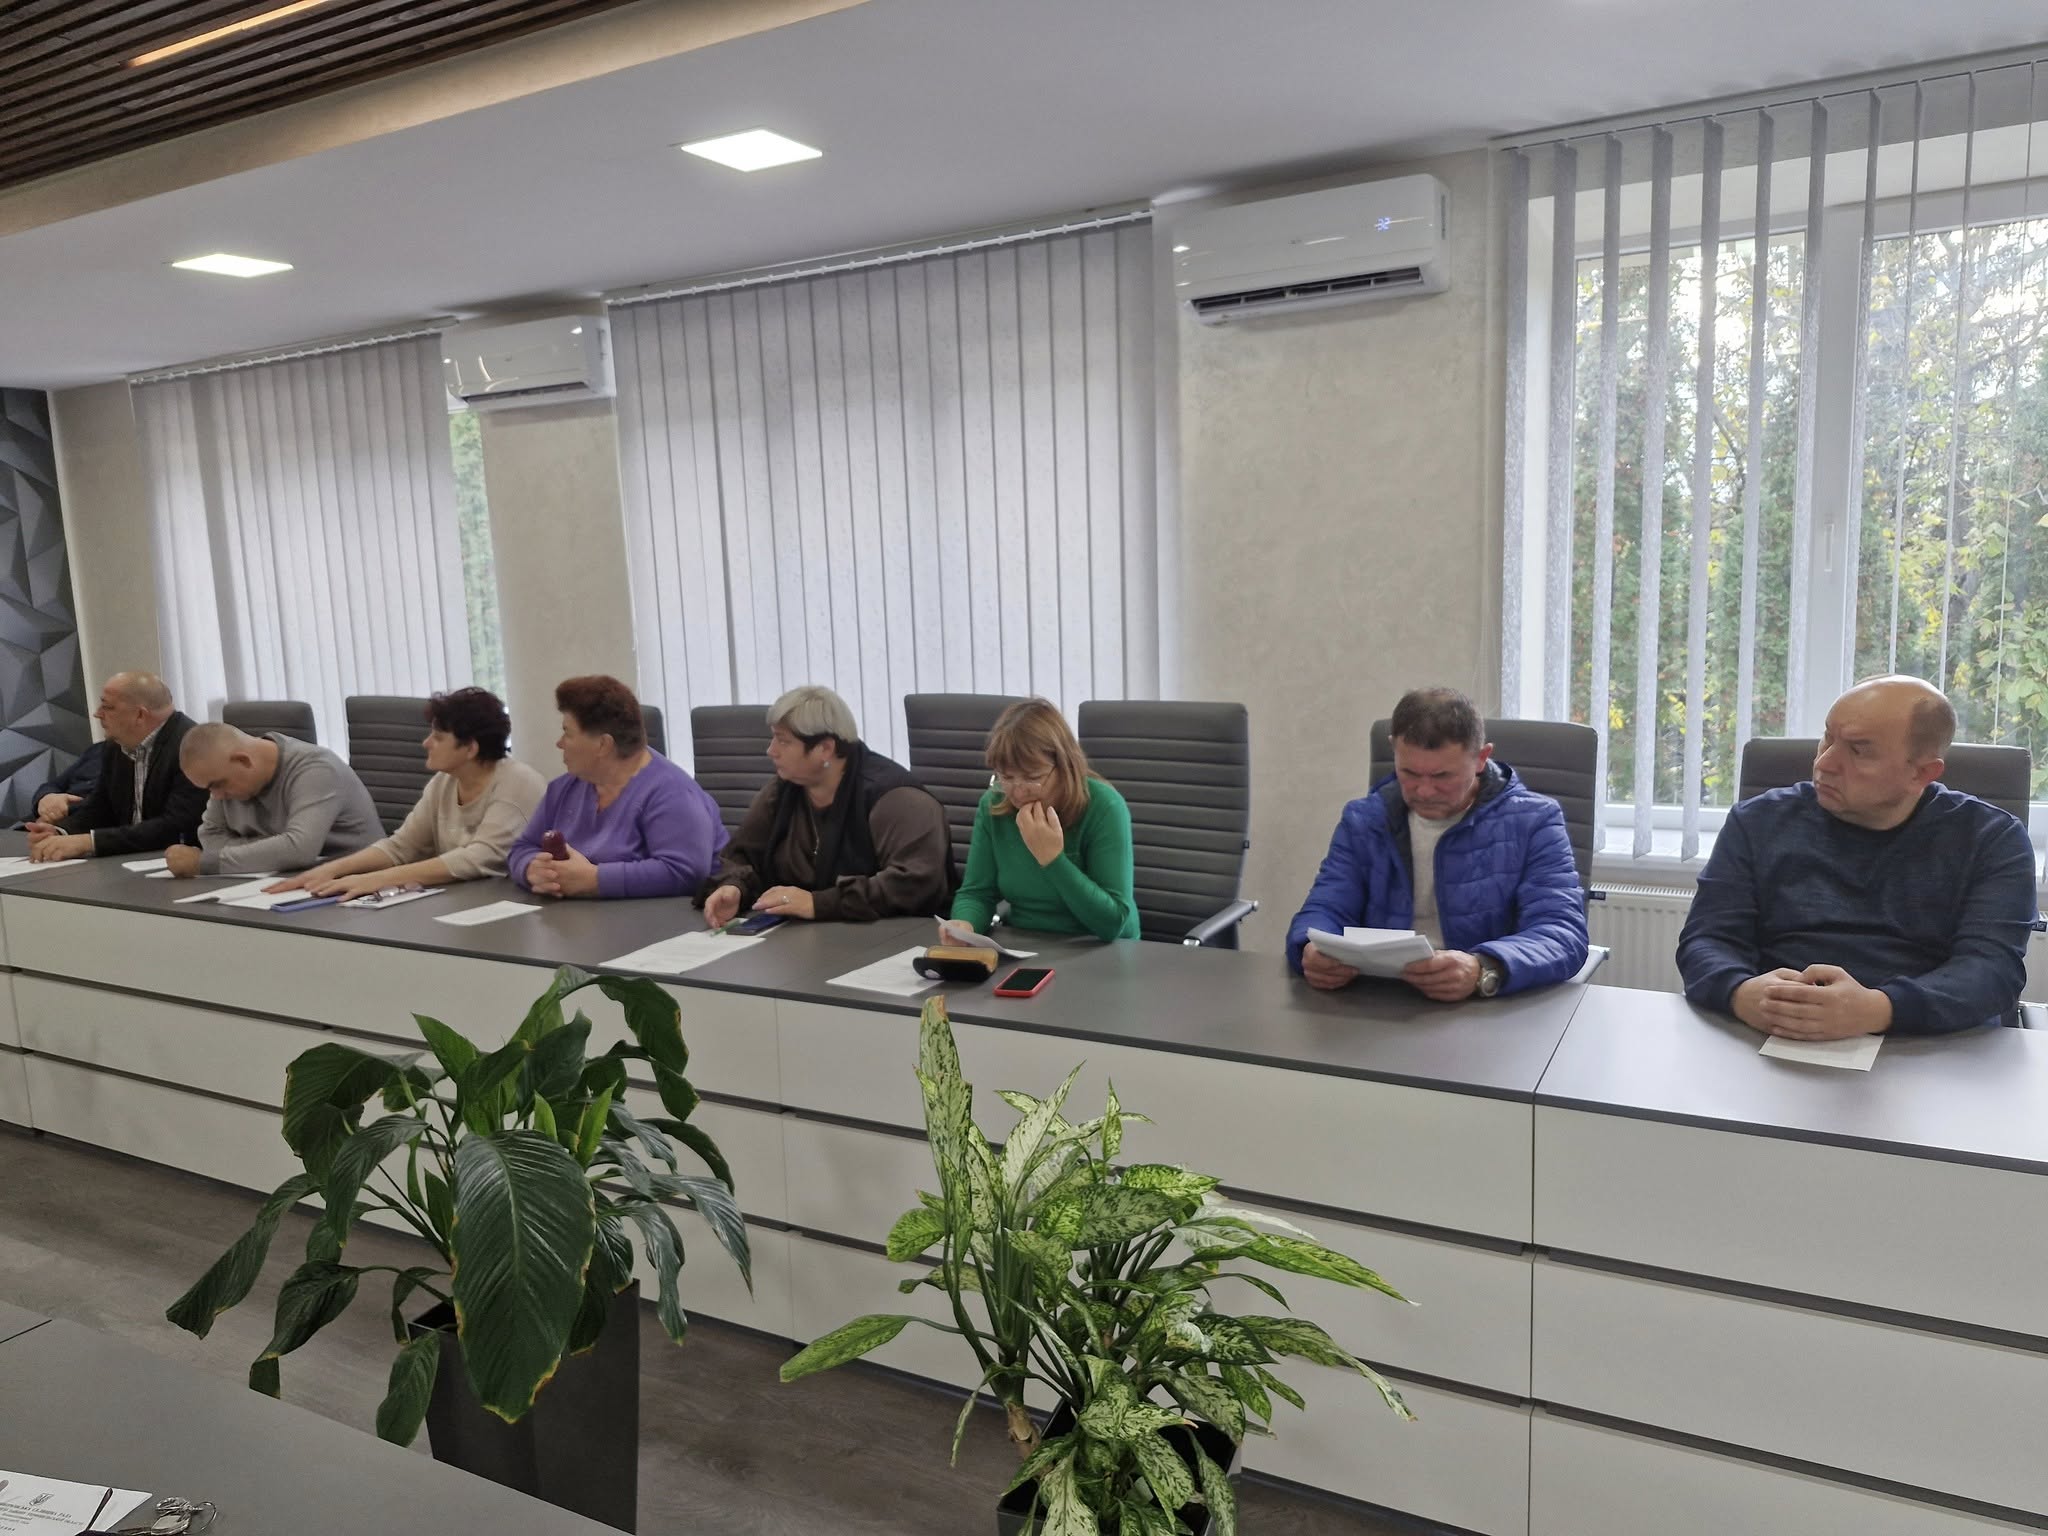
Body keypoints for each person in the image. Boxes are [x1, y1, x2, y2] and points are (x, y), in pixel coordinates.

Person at [1678, 675, 2036, 1038]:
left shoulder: (1992, 839)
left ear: (1921, 773)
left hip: (1926, 1042)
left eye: (1859, 750)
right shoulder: (1758, 821)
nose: (1825, 763)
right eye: (1828, 738)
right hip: (1776, 1033)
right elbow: (1707, 940)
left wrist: (1878, 1009)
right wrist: (1740, 992)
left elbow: (1992, 971)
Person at [1286, 688, 1588, 1001]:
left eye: (1442, 776)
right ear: (1394, 750)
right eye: (1409, 773)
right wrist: (1311, 950)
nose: (1425, 791)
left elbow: (1562, 933)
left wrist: (1484, 967)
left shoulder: (1535, 821)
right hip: (1381, 998)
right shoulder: (1363, 820)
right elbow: (1324, 909)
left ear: (1481, 758)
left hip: (1485, 1005)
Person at [700, 686, 951, 925]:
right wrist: (734, 887)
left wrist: (819, 903)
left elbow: (916, 883)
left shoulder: (896, 798)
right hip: (806, 939)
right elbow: (741, 854)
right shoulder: (783, 791)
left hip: (892, 936)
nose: (771, 750)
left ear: (825, 748)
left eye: (783, 741)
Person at [265, 689, 545, 899]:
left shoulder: (516, 782)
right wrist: (332, 870)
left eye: (438, 737)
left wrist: (376, 880)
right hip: (462, 901)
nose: (426, 743)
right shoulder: (444, 782)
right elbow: (401, 847)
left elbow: (477, 858)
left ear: (470, 748)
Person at [509, 675, 726, 900]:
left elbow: (686, 872)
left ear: (603, 744)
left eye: (568, 733)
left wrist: (595, 879)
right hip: (581, 918)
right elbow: (523, 847)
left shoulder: (673, 793)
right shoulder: (564, 788)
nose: (559, 743)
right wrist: (531, 869)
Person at [945, 698, 1138, 942]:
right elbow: (977, 893)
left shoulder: (1105, 807)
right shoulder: (994, 805)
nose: (1017, 791)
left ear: (1065, 767)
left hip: (1101, 947)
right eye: (1006, 777)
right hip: (1026, 943)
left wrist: (1052, 859)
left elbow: (1113, 922)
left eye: (1032, 777)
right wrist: (966, 924)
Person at [27, 673, 207, 861]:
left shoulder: (193, 746)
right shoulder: (116, 746)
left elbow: (175, 828)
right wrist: (60, 833)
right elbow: (100, 808)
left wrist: (88, 842)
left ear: (140, 715)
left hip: (177, 864)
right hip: (129, 861)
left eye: (107, 707)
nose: (97, 714)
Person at [167, 722, 383, 878]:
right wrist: (277, 848)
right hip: (286, 881)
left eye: (217, 785)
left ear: (243, 760)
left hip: (360, 883)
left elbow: (299, 850)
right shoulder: (224, 777)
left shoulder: (317, 769)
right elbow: (210, 836)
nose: (216, 795)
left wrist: (205, 864)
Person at [29, 741, 105, 827]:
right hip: (46, 824)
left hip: (80, 827)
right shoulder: (97, 749)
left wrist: (59, 812)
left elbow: (102, 806)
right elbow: (53, 784)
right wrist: (46, 797)